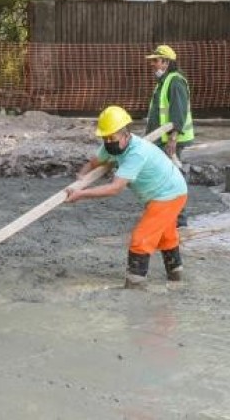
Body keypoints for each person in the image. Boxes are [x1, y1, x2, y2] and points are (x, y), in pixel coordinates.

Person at [65, 106, 188, 289]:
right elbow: (94, 162)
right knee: (166, 236)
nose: (108, 142)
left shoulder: (136, 153)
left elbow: (115, 188)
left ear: (125, 134)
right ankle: (176, 276)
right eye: (105, 138)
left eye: (112, 137)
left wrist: (82, 194)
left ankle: (135, 286)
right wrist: (81, 178)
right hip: (161, 193)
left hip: (169, 194)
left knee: (141, 239)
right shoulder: (111, 146)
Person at [145, 44, 194, 227]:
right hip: (162, 139)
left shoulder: (175, 81)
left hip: (171, 140)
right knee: (165, 176)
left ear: (166, 62)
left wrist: (173, 137)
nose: (152, 64)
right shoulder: (165, 81)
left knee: (172, 178)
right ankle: (169, 215)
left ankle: (178, 218)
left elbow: (178, 111)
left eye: (155, 61)